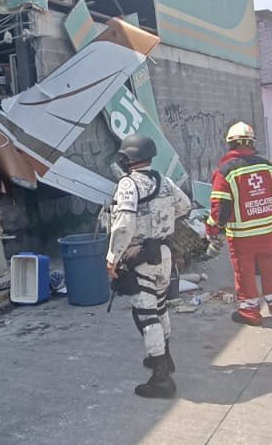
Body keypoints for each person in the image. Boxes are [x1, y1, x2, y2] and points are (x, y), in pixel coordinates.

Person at [106, 134, 191, 399]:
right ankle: (164, 358)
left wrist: (112, 257)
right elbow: (185, 206)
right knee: (161, 306)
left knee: (147, 315)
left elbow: (124, 224)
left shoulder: (128, 185)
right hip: (163, 252)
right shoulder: (163, 181)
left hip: (141, 255)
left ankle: (161, 378)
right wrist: (159, 222)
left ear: (127, 158)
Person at [206, 122, 272, 327]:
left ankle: (250, 312)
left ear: (230, 144)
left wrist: (212, 228)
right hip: (269, 230)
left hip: (243, 234)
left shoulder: (226, 170)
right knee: (271, 266)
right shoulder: (266, 165)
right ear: (251, 143)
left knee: (245, 271)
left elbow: (220, 205)